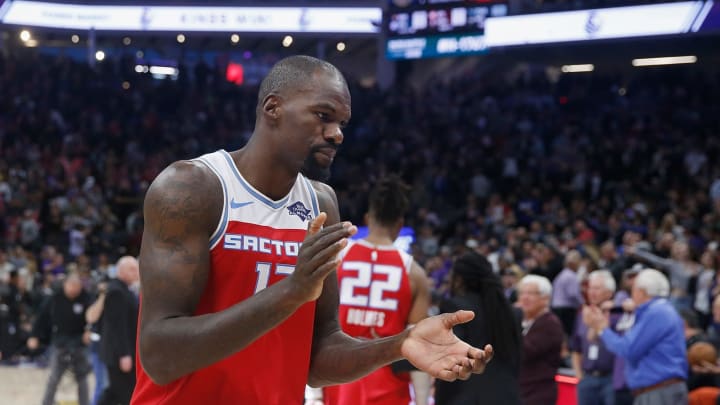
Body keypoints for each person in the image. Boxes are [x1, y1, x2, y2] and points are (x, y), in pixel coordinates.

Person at [131, 55, 492, 405]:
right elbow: (160, 355)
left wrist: (400, 344)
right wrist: (291, 292)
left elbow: (317, 356)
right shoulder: (192, 188)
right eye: (323, 116)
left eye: (342, 124)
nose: (336, 135)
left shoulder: (321, 203)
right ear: (273, 108)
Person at [320, 175, 432, 405]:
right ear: (400, 224)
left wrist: (313, 396)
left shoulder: (337, 257)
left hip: (339, 373)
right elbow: (419, 346)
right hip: (388, 382)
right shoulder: (415, 273)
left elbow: (315, 325)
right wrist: (422, 400)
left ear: (367, 219)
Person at [584, 268, 688, 405]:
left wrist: (602, 328)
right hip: (658, 389)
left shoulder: (656, 313)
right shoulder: (662, 310)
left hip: (658, 390)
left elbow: (628, 348)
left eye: (633, 289)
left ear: (642, 291)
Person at [434, 252, 523, 405]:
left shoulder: (455, 308)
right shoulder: (513, 312)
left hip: (464, 397)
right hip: (507, 395)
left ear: (459, 279)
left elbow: (450, 359)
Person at [28, 274, 92, 405]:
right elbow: (41, 317)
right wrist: (34, 336)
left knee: (82, 377)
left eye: (77, 287)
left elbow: (95, 317)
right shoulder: (54, 298)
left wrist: (90, 331)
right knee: (54, 378)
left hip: (80, 342)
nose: (74, 290)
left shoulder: (86, 297)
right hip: (60, 342)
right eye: (72, 286)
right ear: (65, 285)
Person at [97, 256, 139, 405]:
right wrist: (124, 354)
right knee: (124, 394)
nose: (137, 272)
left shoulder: (124, 290)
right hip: (118, 353)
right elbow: (117, 326)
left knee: (114, 393)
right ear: (121, 270)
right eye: (132, 269)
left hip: (122, 351)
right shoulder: (116, 291)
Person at [570, 270, 617, 405]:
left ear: (609, 292)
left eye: (597, 288)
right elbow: (575, 349)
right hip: (588, 378)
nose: (592, 292)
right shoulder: (582, 315)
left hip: (610, 378)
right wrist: (579, 376)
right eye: (590, 288)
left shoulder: (616, 314)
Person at [517, 274, 564, 405]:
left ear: (545, 298)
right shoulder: (524, 321)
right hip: (520, 390)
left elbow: (525, 352)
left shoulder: (550, 323)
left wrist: (512, 322)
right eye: (522, 293)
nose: (524, 297)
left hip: (538, 393)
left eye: (531, 293)